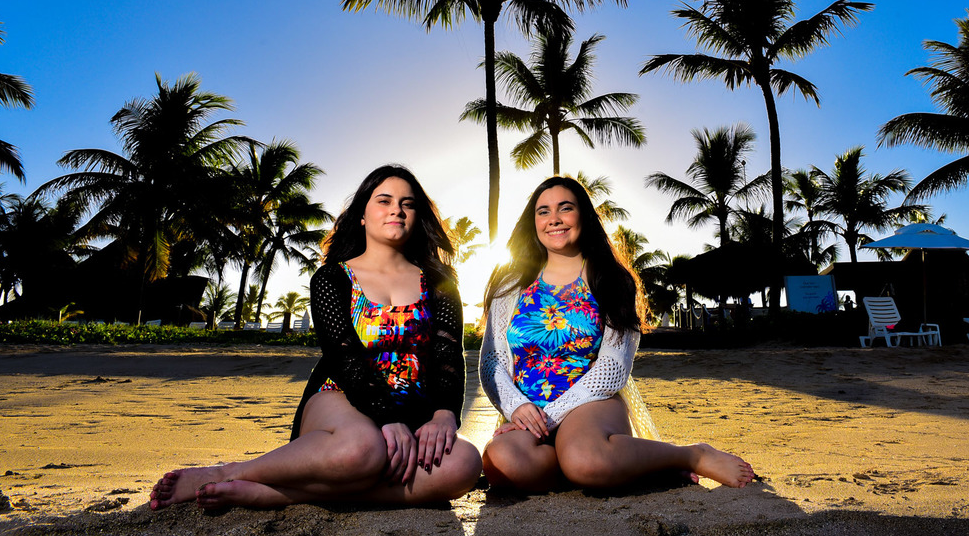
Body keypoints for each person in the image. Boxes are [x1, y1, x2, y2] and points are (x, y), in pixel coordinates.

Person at [150, 165, 482, 510]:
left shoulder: (441, 282)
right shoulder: (332, 278)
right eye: (384, 201)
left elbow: (447, 356)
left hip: (413, 408)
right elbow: (345, 357)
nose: (396, 210)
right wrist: (387, 418)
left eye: (407, 204)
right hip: (341, 397)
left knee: (464, 464)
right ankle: (229, 471)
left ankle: (276, 494)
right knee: (363, 450)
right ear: (363, 215)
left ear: (417, 217)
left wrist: (444, 414)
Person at [479, 175, 755, 492]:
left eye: (565, 208)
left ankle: (691, 455)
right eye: (543, 211)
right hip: (527, 412)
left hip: (591, 404)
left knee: (585, 458)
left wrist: (549, 415)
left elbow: (613, 367)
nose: (554, 219)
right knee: (502, 461)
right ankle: (616, 467)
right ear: (533, 222)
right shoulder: (510, 283)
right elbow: (492, 361)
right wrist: (516, 407)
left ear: (583, 215)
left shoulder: (610, 280)